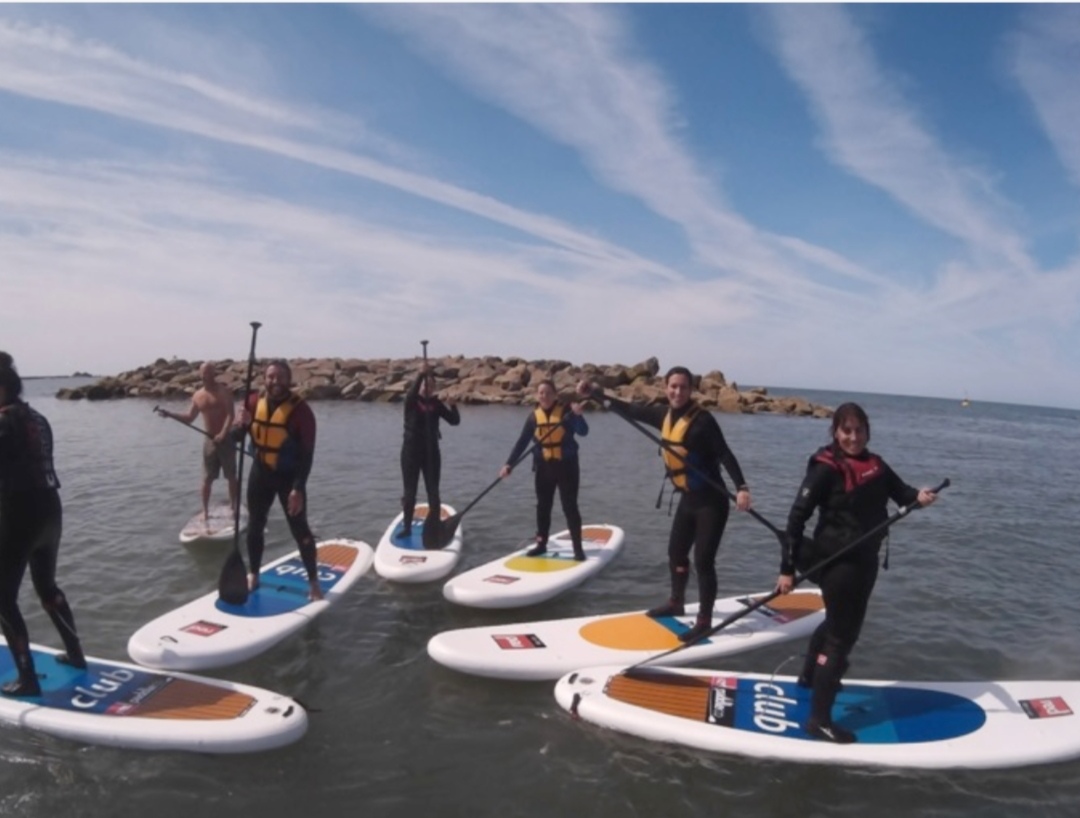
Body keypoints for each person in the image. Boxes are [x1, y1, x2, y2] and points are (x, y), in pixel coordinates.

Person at [776, 402, 937, 744]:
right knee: (842, 638)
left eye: (859, 430)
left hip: (866, 560)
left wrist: (919, 496)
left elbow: (901, 493)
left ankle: (808, 676)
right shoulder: (824, 469)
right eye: (846, 430)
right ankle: (818, 719)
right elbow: (796, 519)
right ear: (835, 431)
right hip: (837, 563)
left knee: (836, 621)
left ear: (867, 431)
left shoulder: (875, 465)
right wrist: (787, 570)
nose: (853, 437)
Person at [578, 367, 751, 642]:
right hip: (688, 500)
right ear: (665, 387)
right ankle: (676, 603)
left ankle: (704, 620)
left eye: (683, 387)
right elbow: (629, 410)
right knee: (675, 554)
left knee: (703, 561)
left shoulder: (703, 421)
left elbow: (724, 453)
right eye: (673, 386)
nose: (677, 392)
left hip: (711, 503)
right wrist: (596, 394)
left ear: (690, 390)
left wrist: (742, 487)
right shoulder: (662, 415)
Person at [0, 351, 86, 697]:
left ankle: (28, 679)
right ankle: (77, 655)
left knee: (3, 600)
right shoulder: (38, 417)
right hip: (51, 511)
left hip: (18, 514)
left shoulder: (4, 421)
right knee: (47, 587)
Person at [235, 359, 322, 600]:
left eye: (280, 377)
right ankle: (254, 573)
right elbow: (236, 437)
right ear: (265, 379)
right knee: (255, 525)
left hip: (289, 479)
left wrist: (298, 488)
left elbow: (307, 455)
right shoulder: (252, 402)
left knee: (300, 530)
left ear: (289, 380)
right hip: (260, 474)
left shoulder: (301, 412)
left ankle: (314, 583)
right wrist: (240, 423)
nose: (275, 382)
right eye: (271, 377)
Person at [499, 380, 589, 561]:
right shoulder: (533, 417)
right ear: (536, 396)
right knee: (543, 507)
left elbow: (583, 431)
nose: (544, 396)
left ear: (555, 395)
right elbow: (522, 442)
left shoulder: (566, 412)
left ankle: (578, 549)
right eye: (541, 393)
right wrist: (509, 464)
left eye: (548, 393)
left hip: (567, 467)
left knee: (569, 507)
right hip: (544, 467)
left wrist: (578, 416)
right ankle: (541, 544)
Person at [155, 361, 238, 521]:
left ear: (214, 373)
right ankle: (205, 511)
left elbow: (230, 415)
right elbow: (189, 418)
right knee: (207, 478)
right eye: (204, 374)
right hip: (209, 441)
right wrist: (171, 415)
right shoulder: (198, 395)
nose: (207, 377)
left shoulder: (224, 391)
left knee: (231, 476)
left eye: (209, 373)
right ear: (200, 375)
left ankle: (233, 507)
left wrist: (223, 433)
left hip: (226, 438)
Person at [400, 363, 460, 539]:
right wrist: (420, 374)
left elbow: (454, 421)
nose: (428, 388)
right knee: (409, 493)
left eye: (431, 385)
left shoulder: (436, 404)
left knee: (433, 492)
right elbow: (411, 393)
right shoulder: (411, 402)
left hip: (431, 454)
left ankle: (434, 526)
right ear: (420, 386)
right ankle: (407, 528)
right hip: (411, 453)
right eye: (425, 385)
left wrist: (453, 406)